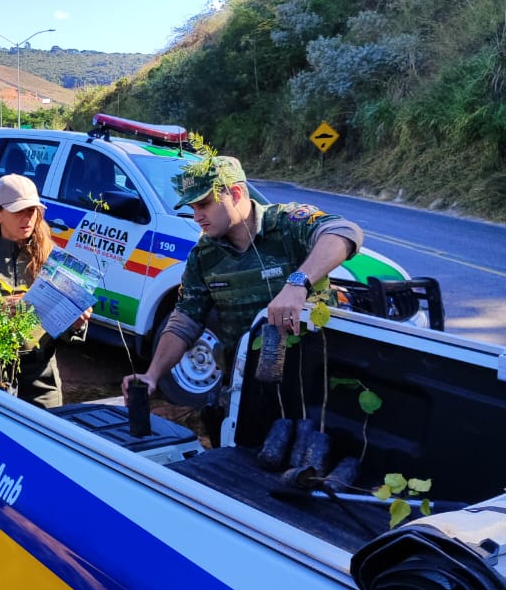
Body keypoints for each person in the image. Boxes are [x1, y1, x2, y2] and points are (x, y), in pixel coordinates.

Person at [122, 151, 363, 420]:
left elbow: (345, 232)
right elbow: (185, 320)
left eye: (204, 204)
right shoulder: (204, 257)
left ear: (236, 193)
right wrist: (152, 375)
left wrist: (298, 282)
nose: (197, 216)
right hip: (247, 388)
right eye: (192, 208)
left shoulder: (287, 224)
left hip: (315, 390)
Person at [0, 174, 91, 408]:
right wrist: (1, 311)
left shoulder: (52, 260)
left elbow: (64, 329)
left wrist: (77, 324)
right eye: (19, 211)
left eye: (32, 210)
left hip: (42, 379)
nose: (27, 218)